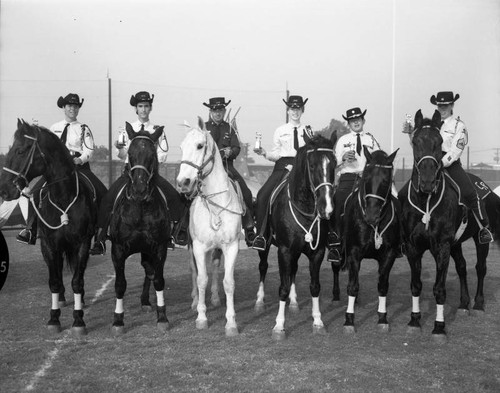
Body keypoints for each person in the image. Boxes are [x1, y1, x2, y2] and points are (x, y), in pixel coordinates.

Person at [89, 91, 188, 255]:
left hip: (150, 174)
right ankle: (100, 238)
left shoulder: (157, 130)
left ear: (150, 108)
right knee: (108, 199)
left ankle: (171, 234)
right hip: (130, 173)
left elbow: (163, 154)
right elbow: (119, 155)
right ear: (136, 108)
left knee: (173, 197)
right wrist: (121, 150)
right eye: (140, 106)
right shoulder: (126, 129)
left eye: (146, 106)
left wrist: (151, 160)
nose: (143, 110)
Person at [16, 93, 107, 245]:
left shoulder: (83, 128)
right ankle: (30, 229)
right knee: (36, 192)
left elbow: (89, 149)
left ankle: (100, 236)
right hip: (57, 169)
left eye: (76, 106)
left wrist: (80, 159)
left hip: (78, 167)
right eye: (70, 106)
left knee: (103, 193)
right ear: (64, 108)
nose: (73, 109)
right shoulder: (54, 128)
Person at [404, 91, 492, 244]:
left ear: (452, 105)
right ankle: (402, 237)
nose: (443, 108)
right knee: (402, 195)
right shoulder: (431, 125)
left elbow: (456, 150)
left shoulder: (459, 125)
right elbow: (417, 145)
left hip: (449, 164)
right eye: (440, 105)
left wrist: (441, 163)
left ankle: (484, 228)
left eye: (446, 105)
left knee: (470, 193)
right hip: (428, 165)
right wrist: (410, 133)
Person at [252, 95, 314, 251]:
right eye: (292, 108)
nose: (295, 112)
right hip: (282, 166)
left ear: (302, 110)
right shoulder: (280, 130)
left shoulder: (308, 131)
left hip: (302, 169)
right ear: (288, 110)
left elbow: (312, 153)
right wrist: (264, 153)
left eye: (298, 109)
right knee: (262, 195)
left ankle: (325, 235)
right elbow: (276, 153)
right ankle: (261, 235)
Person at [326, 107, 383, 263]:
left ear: (363, 121)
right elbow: (333, 163)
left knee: (388, 201)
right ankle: (336, 244)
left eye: (358, 119)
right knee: (336, 204)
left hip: (368, 179)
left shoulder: (371, 140)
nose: (356, 122)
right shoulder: (343, 140)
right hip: (348, 179)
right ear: (349, 123)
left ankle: (394, 241)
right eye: (352, 120)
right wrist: (343, 158)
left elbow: (380, 158)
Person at [202, 97, 256, 245]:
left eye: (220, 110)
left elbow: (237, 148)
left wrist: (230, 152)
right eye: (214, 110)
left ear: (224, 111)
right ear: (210, 111)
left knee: (246, 192)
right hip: (207, 167)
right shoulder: (204, 128)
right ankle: (183, 226)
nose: (217, 113)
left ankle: (249, 227)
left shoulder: (230, 128)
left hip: (227, 167)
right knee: (189, 192)